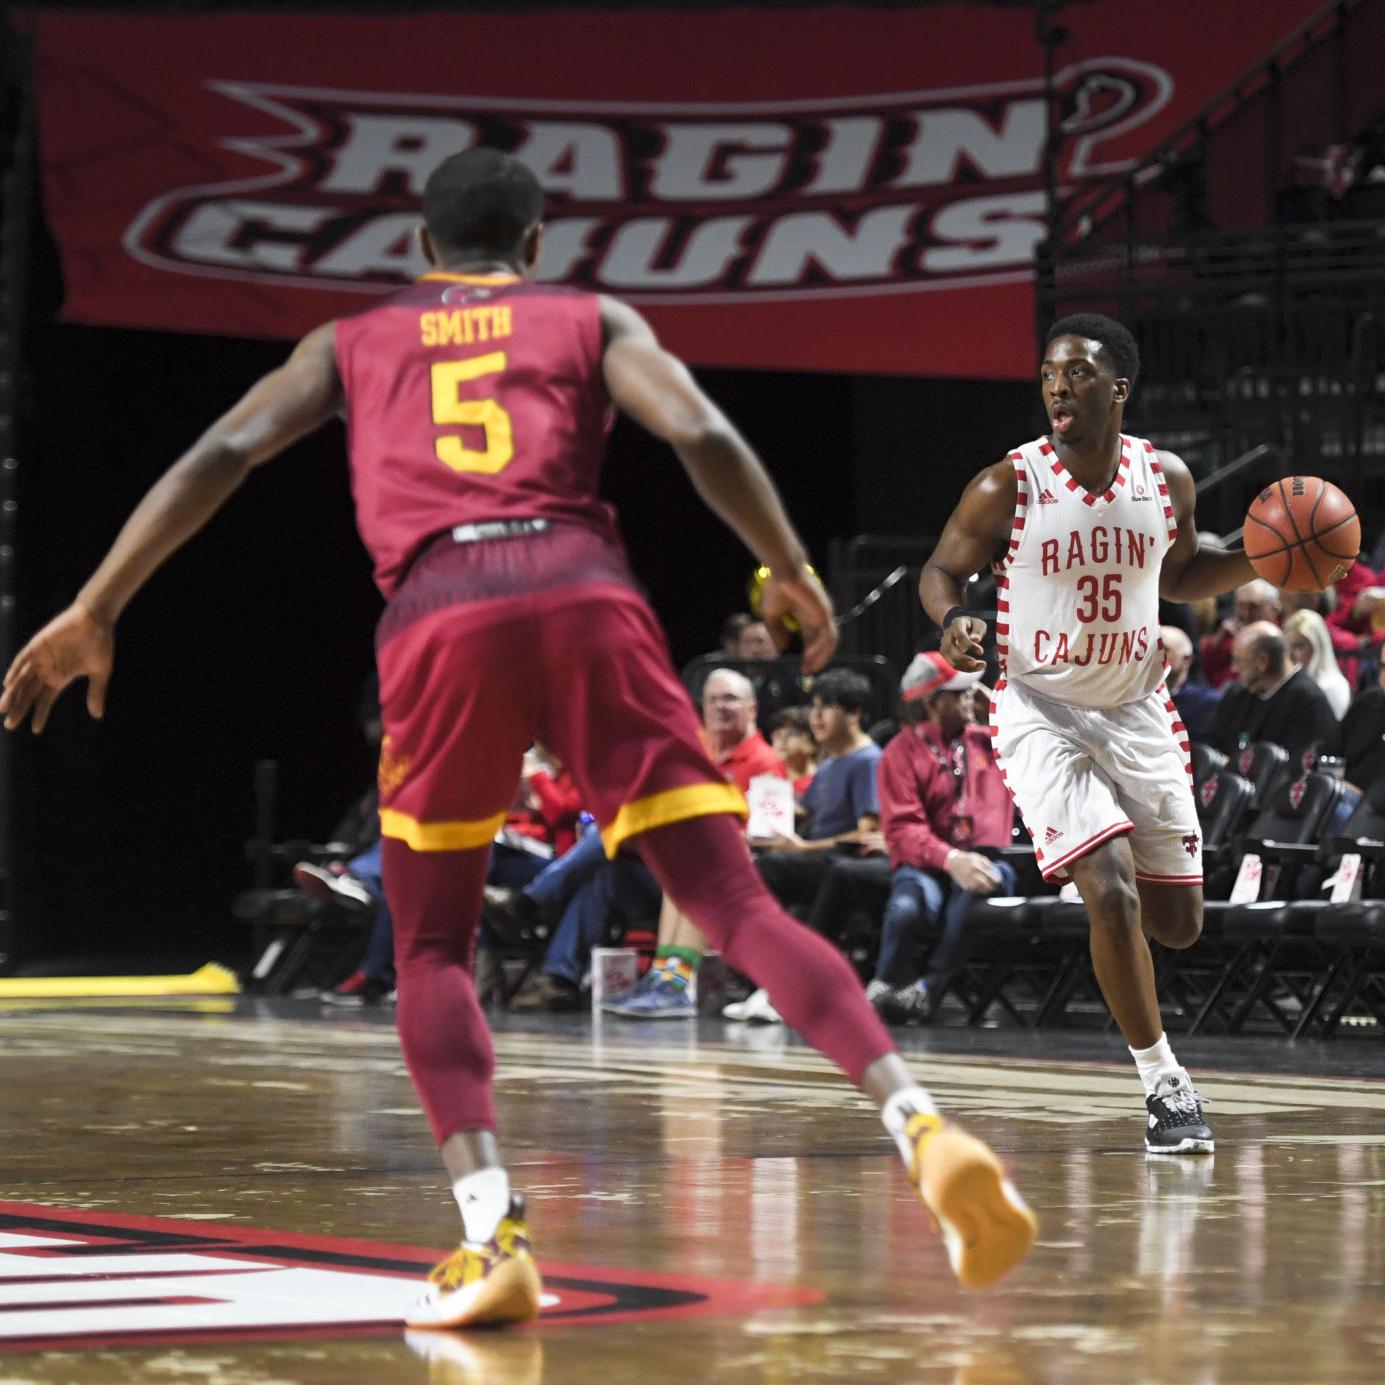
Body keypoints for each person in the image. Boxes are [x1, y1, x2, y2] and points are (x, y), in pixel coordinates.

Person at [1, 148, 1033, 1326]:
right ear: (534, 244)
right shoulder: (586, 315)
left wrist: (97, 604)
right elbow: (696, 427)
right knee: (737, 903)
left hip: (443, 610)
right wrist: (791, 567)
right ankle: (920, 1121)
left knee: (432, 947)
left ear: (423, 247)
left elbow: (221, 453)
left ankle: (491, 1233)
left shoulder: (351, 340)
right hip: (585, 586)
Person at [922, 311, 1262, 1156]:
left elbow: (1181, 576)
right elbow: (939, 570)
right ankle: (1164, 1083)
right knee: (1106, 885)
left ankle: (1129, 959)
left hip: (1135, 706)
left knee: (1177, 921)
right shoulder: (1008, 483)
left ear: (1118, 388)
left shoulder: (1166, 478)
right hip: (1037, 703)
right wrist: (953, 621)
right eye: (1046, 373)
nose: (1056, 386)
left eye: (1075, 373)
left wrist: (1265, 556)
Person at [602, 667, 786, 1019]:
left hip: (745, 869)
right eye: (712, 699)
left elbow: (768, 833)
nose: (719, 706)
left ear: (752, 709)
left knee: (693, 864)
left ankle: (675, 981)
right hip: (698, 863)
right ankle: (663, 976)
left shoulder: (765, 762)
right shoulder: (698, 756)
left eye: (729, 698)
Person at [727, 667, 886, 1024]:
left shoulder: (868, 761)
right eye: (814, 707)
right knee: (746, 872)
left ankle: (784, 984)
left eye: (826, 707)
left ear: (854, 713)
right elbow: (800, 812)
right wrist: (758, 816)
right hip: (815, 861)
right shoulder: (832, 763)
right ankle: (767, 981)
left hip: (840, 867)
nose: (815, 717)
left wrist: (801, 850)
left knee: (767, 871)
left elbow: (865, 836)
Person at [868, 652, 1018, 1025]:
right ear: (933, 703)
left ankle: (928, 988)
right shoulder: (899, 752)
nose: (970, 696)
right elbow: (903, 830)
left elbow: (1043, 735)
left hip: (986, 858)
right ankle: (884, 986)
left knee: (979, 884)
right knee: (907, 908)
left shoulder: (990, 740)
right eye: (959, 692)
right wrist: (952, 861)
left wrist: (997, 708)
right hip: (928, 864)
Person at [1204, 621, 1341, 767]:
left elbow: (1302, 767)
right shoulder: (1238, 693)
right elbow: (1209, 742)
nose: (1234, 669)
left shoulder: (1309, 702)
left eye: (1238, 661)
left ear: (1263, 661)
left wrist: (1233, 765)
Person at [1198, 579, 1280, 689]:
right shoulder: (1228, 634)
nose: (1245, 614)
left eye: (1253, 607)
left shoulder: (1279, 638)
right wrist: (1218, 640)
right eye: (1240, 606)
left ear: (1274, 609)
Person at [1283, 608, 1352, 719]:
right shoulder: (1286, 684)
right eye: (1287, 647)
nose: (1290, 655)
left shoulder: (1332, 686)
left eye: (1298, 646)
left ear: (1317, 648)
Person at [1160, 624, 1221, 742]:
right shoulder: (1137, 695)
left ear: (1186, 660)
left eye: (1164, 649)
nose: (1155, 655)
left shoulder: (1206, 702)